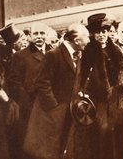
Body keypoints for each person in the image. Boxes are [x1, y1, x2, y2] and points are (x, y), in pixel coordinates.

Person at [26, 23, 90, 158]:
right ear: (77, 40)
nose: (89, 41)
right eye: (87, 37)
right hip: (51, 113)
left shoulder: (79, 55)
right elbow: (42, 83)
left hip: (68, 111)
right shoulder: (53, 54)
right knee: (50, 151)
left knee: (63, 148)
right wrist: (54, 107)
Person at [81, 13, 123, 159]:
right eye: (98, 32)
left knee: (119, 131)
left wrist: (116, 93)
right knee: (102, 130)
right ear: (92, 33)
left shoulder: (116, 50)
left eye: (104, 32)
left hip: (115, 99)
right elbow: (83, 75)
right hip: (97, 100)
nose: (102, 35)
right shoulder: (88, 51)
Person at [5, 22, 53, 159]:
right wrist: (27, 103)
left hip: (51, 107)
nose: (39, 37)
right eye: (36, 34)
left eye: (42, 33)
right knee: (32, 147)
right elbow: (14, 83)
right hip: (31, 109)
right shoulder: (21, 55)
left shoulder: (53, 53)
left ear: (46, 35)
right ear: (30, 36)